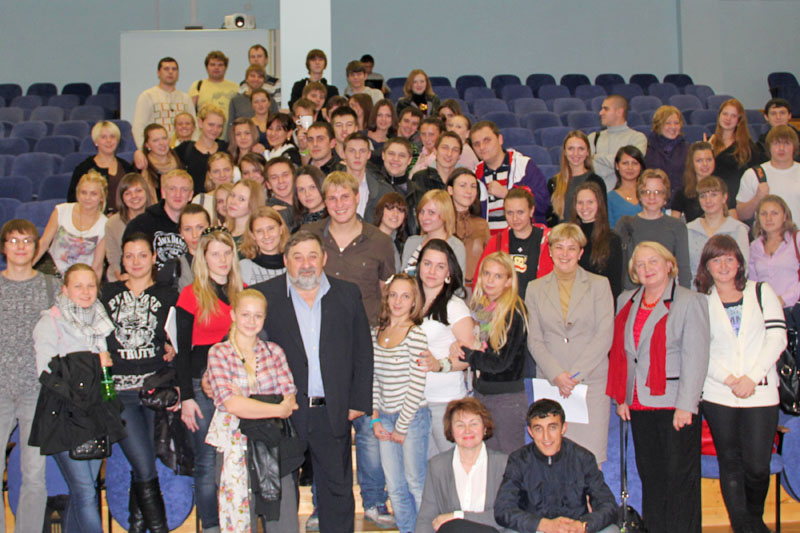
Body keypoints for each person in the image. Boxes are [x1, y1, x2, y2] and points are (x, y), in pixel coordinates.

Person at [251, 230, 373, 532]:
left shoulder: (347, 293)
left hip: (332, 410)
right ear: (285, 261)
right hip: (283, 412)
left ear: (324, 259)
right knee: (281, 492)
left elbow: (362, 350)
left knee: (337, 490)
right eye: (298, 257)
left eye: (312, 256)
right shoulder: (264, 295)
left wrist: (358, 401)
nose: (306, 264)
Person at [607, 241, 710, 533]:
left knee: (680, 482)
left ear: (669, 265)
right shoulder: (626, 300)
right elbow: (623, 353)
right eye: (640, 264)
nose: (647, 268)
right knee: (651, 479)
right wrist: (622, 397)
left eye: (653, 261)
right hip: (638, 403)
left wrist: (686, 406)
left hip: (675, 405)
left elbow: (696, 358)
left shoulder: (690, 301)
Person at [695, 234, 787, 533]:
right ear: (706, 266)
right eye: (716, 260)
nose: (723, 265)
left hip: (760, 392)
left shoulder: (761, 291)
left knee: (758, 466)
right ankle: (745, 528)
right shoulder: (701, 301)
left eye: (729, 258)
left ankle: (752, 521)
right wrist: (728, 379)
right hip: (718, 393)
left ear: (739, 263)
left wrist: (751, 377)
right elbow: (699, 348)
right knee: (730, 463)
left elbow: (777, 338)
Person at [32, 264, 120, 533]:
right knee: (85, 492)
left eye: (91, 286)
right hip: (63, 416)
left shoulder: (101, 322)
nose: (85, 291)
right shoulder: (49, 323)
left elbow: (104, 374)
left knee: (84, 490)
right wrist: (94, 363)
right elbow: (46, 372)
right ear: (65, 290)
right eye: (78, 286)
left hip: (95, 415)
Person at [100, 233, 178, 532]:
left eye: (142, 255)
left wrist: (173, 348)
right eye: (129, 255)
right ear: (121, 259)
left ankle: (136, 526)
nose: (135, 261)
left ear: (154, 258)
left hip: (154, 391)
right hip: (119, 393)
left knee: (142, 464)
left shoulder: (169, 295)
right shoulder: (106, 293)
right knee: (144, 465)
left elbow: (180, 339)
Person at [205, 289, 300, 532]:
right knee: (239, 519)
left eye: (258, 316)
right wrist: (275, 408)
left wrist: (248, 400)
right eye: (245, 314)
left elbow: (289, 400)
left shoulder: (274, 352)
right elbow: (232, 405)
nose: (251, 321)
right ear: (233, 315)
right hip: (235, 445)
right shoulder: (219, 353)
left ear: (264, 318)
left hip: (273, 445)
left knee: (284, 523)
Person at [525, 223, 615, 463]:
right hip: (551, 381)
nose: (565, 254)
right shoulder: (534, 288)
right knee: (552, 455)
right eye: (559, 247)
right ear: (550, 251)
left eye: (571, 248)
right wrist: (557, 375)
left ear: (581, 253)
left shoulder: (599, 285)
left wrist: (574, 376)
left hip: (590, 382)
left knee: (590, 458)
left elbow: (604, 335)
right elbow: (534, 339)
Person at [176, 227, 243, 533]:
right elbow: (182, 352)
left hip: (236, 385)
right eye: (215, 254)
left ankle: (238, 521)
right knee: (205, 462)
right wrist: (186, 398)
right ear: (203, 258)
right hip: (200, 386)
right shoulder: (190, 295)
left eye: (227, 252)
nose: (222, 259)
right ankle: (212, 527)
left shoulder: (242, 292)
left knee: (235, 458)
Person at [0, 219, 58, 533]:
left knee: (34, 474)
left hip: (36, 392)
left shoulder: (51, 286)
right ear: (4, 247)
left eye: (27, 241)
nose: (20, 247)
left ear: (37, 247)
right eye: (13, 240)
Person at [494, 399, 619, 533]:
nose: (546, 437)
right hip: (537, 529)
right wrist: (543, 525)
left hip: (575, 529)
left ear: (563, 428)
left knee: (611, 530)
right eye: (538, 429)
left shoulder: (583, 458)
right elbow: (503, 509)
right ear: (530, 432)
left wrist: (583, 525)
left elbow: (609, 506)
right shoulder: (519, 460)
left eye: (552, 427)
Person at [450, 252, 529, 454]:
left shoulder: (514, 312)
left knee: (509, 459)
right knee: (486, 458)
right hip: (482, 393)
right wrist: (461, 348)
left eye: (498, 276)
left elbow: (500, 362)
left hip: (506, 398)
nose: (490, 280)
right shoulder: (480, 308)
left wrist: (468, 354)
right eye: (486, 273)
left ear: (509, 281)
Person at [370, 273, 431, 533]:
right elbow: (374, 379)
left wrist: (402, 426)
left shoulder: (416, 335)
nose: (398, 301)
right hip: (384, 417)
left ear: (414, 301)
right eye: (393, 295)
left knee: (415, 482)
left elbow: (417, 385)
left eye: (405, 296)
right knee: (394, 485)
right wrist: (374, 417)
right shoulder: (377, 333)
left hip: (412, 418)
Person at [415, 239, 477, 456]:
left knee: (452, 466)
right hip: (415, 402)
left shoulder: (455, 307)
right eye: (427, 264)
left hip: (445, 402)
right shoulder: (409, 302)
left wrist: (439, 365)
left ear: (449, 272)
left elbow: (469, 356)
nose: (432, 271)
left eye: (440, 266)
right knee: (425, 470)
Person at [415, 398, 509, 533]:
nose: (467, 430)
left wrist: (457, 516)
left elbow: (506, 516)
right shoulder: (437, 466)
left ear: (485, 428)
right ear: (451, 430)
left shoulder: (503, 464)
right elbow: (426, 518)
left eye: (474, 424)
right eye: (460, 425)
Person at [615, 168, 691, 289]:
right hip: (632, 294)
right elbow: (616, 265)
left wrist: (683, 297)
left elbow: (684, 270)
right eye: (646, 192)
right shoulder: (625, 224)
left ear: (665, 196)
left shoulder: (677, 226)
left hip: (665, 294)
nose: (651, 197)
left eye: (657, 192)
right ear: (639, 195)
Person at [474, 187, 553, 298]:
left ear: (531, 211)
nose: (515, 218)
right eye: (510, 213)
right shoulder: (496, 242)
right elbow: (479, 280)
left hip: (538, 305)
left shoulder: (549, 240)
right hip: (502, 305)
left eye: (520, 212)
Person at [470, 121, 549, 230]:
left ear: (500, 139)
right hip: (488, 238)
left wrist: (508, 194)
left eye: (486, 140)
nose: (482, 147)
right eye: (476, 144)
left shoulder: (524, 166)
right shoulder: (474, 175)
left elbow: (543, 204)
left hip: (523, 236)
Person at [37, 170, 108, 278]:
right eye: (83, 192)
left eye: (93, 194)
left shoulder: (105, 224)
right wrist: (26, 269)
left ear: (102, 197)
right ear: (77, 193)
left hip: (82, 279)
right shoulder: (61, 211)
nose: (87, 198)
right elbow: (43, 244)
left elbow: (97, 266)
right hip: (51, 273)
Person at [124, 169, 193, 270]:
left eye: (184, 189)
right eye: (172, 189)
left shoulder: (198, 225)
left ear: (190, 195)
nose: (178, 194)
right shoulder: (140, 224)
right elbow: (127, 262)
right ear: (163, 193)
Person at [687, 177, 750, 288]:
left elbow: (743, 267)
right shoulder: (689, 229)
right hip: (695, 292)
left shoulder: (738, 229)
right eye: (703, 196)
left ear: (724, 197)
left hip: (728, 291)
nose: (708, 200)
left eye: (714, 195)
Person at [710, 98, 766, 211]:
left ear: (739, 120)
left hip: (737, 203)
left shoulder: (748, 147)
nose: (728, 118)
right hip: (713, 199)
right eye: (725, 114)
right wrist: (708, 150)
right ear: (719, 116)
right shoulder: (709, 142)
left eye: (733, 116)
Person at [571, 181, 624, 299]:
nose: (585, 207)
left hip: (599, 302)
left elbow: (615, 285)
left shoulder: (612, 240)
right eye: (580, 202)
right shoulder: (568, 237)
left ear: (599, 204)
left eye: (590, 202)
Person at [737, 125, 800, 221]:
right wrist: (757, 198)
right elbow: (741, 215)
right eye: (776, 144)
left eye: (787, 143)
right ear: (769, 147)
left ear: (794, 147)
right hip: (764, 231)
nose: (781, 148)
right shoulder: (753, 174)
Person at [67, 120, 133, 210]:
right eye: (103, 137)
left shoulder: (127, 167)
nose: (109, 141)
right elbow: (73, 199)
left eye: (112, 136)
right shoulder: (83, 168)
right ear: (96, 142)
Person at [132, 57, 195, 149]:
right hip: (156, 149)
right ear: (158, 73)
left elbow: (194, 127)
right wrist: (144, 150)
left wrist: (193, 149)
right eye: (166, 69)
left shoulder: (186, 98)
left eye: (174, 69)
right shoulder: (147, 96)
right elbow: (138, 127)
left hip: (182, 149)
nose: (170, 72)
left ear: (178, 74)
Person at [748, 195, 800, 307]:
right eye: (763, 214)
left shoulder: (797, 240)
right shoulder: (754, 247)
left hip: (794, 309)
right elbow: (753, 282)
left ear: (785, 217)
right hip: (766, 310)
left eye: (774, 213)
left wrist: (784, 299)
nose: (768, 218)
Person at [588, 94, 648, 190]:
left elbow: (630, 166)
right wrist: (616, 165)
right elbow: (588, 167)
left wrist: (596, 156)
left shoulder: (637, 138)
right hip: (595, 194)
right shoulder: (593, 138)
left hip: (625, 195)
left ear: (619, 112)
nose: (601, 113)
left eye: (606, 109)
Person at [547, 130, 607, 225]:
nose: (576, 153)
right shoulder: (554, 182)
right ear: (565, 152)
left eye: (581, 149)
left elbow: (602, 217)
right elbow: (550, 218)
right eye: (571, 148)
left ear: (587, 152)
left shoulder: (596, 181)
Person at [402, 189, 467, 276]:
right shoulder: (412, 242)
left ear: (445, 215)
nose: (424, 217)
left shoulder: (455, 246)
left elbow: (457, 283)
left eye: (431, 212)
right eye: (422, 211)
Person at [105, 173, 156, 281]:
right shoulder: (113, 223)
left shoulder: (157, 218)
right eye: (128, 193)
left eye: (138, 191)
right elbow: (114, 258)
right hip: (121, 278)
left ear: (146, 193)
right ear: (122, 198)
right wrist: (124, 280)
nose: (134, 196)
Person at [448, 168, 490, 289]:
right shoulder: (440, 221)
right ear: (450, 190)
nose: (469, 191)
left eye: (473, 186)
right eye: (463, 186)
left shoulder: (482, 225)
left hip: (475, 289)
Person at [175, 103, 229, 195]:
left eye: (219, 126)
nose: (215, 129)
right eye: (211, 125)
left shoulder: (225, 148)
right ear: (200, 123)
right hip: (193, 201)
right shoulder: (184, 150)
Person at [342, 132, 394, 223]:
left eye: (362, 151)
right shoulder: (330, 187)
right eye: (352, 151)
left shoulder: (383, 190)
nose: (357, 156)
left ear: (369, 154)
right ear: (343, 154)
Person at [644, 105, 689, 201]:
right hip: (654, 200)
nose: (673, 127)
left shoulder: (687, 149)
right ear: (658, 125)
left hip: (680, 201)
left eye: (676, 123)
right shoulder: (647, 148)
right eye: (667, 123)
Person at [188, 51, 239, 135]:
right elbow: (190, 113)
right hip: (202, 136)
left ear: (225, 67)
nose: (216, 68)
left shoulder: (235, 88)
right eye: (212, 65)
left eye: (220, 65)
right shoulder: (198, 85)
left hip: (227, 137)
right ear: (207, 67)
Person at [239, 206, 289, 284]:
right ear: (252, 235)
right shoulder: (243, 268)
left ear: (281, 229)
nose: (266, 236)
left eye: (271, 228)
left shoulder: (294, 264)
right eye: (259, 231)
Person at [169, 203, 211, 291]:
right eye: (188, 229)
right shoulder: (175, 266)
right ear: (180, 232)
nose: (194, 235)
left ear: (210, 227)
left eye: (200, 227)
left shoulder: (223, 260)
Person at [671, 141, 716, 223]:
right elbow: (673, 225)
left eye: (709, 159)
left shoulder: (722, 187)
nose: (705, 164)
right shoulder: (682, 193)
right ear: (692, 163)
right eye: (699, 160)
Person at [140, 123, 184, 196]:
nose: (161, 143)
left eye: (164, 138)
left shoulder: (180, 157)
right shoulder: (142, 165)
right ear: (147, 145)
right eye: (155, 140)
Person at [607, 145, 645, 227]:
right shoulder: (609, 198)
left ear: (641, 167)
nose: (630, 167)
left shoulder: (649, 194)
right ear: (617, 166)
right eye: (625, 163)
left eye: (635, 163)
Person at [191, 152, 235, 223]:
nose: (222, 175)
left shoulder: (243, 197)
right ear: (210, 175)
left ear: (233, 171)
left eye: (226, 170)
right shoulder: (200, 200)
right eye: (216, 171)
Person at [227, 65, 269, 136]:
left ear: (264, 80)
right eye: (252, 76)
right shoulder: (236, 101)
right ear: (246, 79)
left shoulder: (270, 101)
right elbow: (230, 125)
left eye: (260, 77)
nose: (256, 79)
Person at [225, 179, 266, 247]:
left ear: (253, 204)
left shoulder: (258, 238)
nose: (233, 202)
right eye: (232, 195)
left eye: (241, 199)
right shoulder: (222, 232)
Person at [757, 97, 800, 162]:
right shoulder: (761, 144)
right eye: (773, 114)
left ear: (789, 116)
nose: (778, 117)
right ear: (766, 117)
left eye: (782, 113)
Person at [374, 191, 409, 271]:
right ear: (381, 211)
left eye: (400, 210)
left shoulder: (397, 243)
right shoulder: (370, 240)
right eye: (391, 209)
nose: (395, 214)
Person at [265, 156, 297, 228]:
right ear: (268, 184)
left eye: (285, 175)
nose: (281, 181)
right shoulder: (266, 211)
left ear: (294, 177)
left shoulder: (306, 201)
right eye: (274, 177)